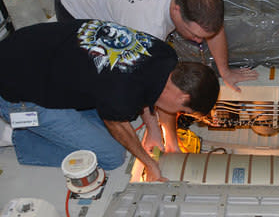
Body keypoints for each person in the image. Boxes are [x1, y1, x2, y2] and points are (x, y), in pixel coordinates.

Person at [0, 19, 220, 181]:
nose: (180, 114)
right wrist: (150, 164)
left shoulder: (166, 56)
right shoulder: (122, 93)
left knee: (112, 117)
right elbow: (117, 125)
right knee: (112, 155)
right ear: (183, 96)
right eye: (185, 111)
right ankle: (17, 136)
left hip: (29, 48)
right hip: (16, 90)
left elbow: (151, 91)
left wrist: (164, 136)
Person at [55, 0, 258, 92]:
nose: (198, 41)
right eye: (194, 35)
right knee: (99, 71)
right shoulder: (145, 25)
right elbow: (143, 81)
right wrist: (158, 130)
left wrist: (225, 71)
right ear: (176, 10)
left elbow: (213, 27)